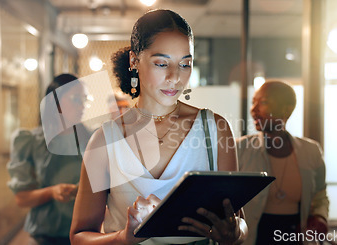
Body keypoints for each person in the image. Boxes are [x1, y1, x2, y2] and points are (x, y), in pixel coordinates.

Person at [70, 9, 247, 245]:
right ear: (134, 60)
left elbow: (239, 220)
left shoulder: (214, 129)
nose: (175, 77)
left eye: (185, 64)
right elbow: (79, 236)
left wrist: (234, 234)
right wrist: (123, 238)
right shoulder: (105, 140)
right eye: (162, 63)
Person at [237, 81, 329, 245]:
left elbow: (320, 195)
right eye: (253, 103)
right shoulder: (240, 148)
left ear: (287, 109)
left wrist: (320, 217)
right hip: (255, 237)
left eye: (263, 102)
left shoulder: (310, 150)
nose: (253, 109)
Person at [7, 73, 91, 245]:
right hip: (44, 236)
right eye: (75, 99)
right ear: (55, 102)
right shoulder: (31, 142)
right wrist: (52, 192)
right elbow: (22, 198)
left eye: (84, 99)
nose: (82, 106)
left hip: (85, 234)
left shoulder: (91, 139)